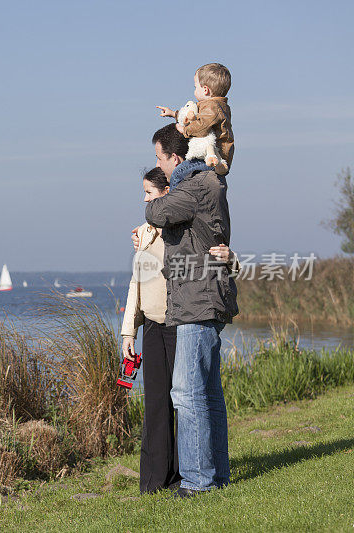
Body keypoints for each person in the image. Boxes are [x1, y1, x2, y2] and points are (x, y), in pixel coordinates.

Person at [136, 123, 238, 498]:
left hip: (197, 299)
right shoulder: (207, 182)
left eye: (160, 158)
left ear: (176, 158)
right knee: (208, 393)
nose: (158, 166)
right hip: (204, 296)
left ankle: (197, 481)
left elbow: (158, 210)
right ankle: (217, 474)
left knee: (187, 392)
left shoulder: (193, 186)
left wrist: (157, 201)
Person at [156, 63, 235, 180]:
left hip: (214, 158)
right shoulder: (213, 106)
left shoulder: (213, 108)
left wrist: (185, 130)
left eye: (195, 87)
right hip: (211, 156)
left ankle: (174, 196)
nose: (194, 90)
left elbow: (201, 127)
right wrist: (174, 114)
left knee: (179, 172)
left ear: (205, 90)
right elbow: (192, 117)